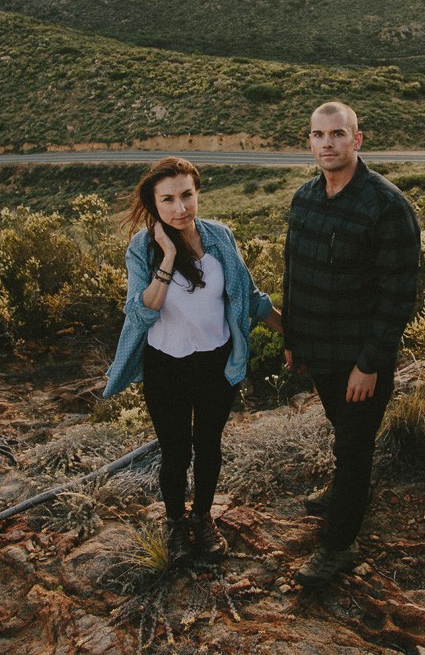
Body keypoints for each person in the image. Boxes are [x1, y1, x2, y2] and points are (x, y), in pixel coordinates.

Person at [104, 156, 282, 564]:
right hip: (166, 367)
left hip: (217, 365)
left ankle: (202, 518)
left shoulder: (220, 236)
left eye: (187, 195)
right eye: (168, 200)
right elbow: (142, 311)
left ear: (197, 193)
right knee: (175, 452)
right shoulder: (142, 248)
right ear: (153, 205)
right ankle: (174, 524)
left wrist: (294, 334)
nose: (180, 208)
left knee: (209, 446)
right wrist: (166, 257)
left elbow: (250, 299)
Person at [282, 102, 421, 588]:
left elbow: (398, 293)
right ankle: (344, 490)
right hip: (319, 349)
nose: (327, 143)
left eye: (337, 134)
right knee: (342, 430)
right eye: (318, 134)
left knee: (355, 446)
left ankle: (340, 545)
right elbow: (294, 273)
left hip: (361, 358)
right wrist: (294, 338)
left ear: (357, 140)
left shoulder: (387, 206)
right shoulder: (304, 198)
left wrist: (370, 363)